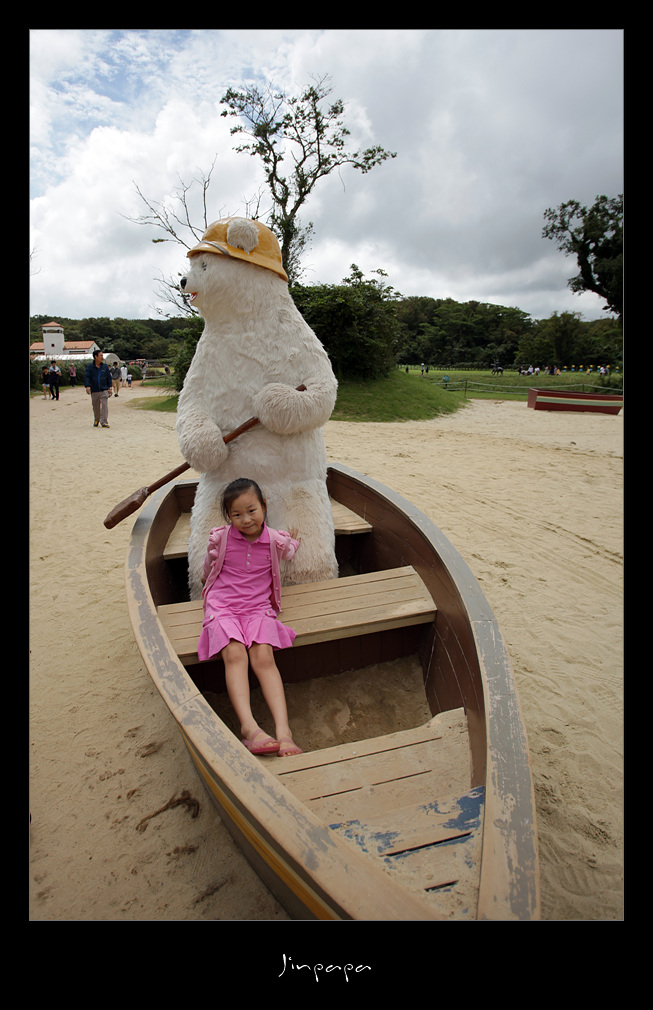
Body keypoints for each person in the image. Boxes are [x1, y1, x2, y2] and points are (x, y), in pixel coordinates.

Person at [199, 477, 303, 757]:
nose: (246, 519)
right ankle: (249, 728)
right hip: (223, 606)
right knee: (235, 654)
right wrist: (205, 579)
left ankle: (284, 733)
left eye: (251, 510)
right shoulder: (221, 538)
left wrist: (294, 541)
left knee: (263, 657)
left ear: (264, 506)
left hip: (257, 607)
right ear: (228, 516)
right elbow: (208, 566)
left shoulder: (274, 540)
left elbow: (288, 551)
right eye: (237, 514)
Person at [84, 349, 113, 427]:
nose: (102, 357)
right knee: (96, 407)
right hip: (94, 390)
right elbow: (87, 377)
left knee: (104, 406)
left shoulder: (105, 367)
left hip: (104, 389)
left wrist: (110, 388)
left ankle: (104, 421)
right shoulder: (90, 367)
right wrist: (87, 386)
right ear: (95, 357)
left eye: (102, 355)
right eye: (100, 355)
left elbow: (108, 378)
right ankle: (97, 419)